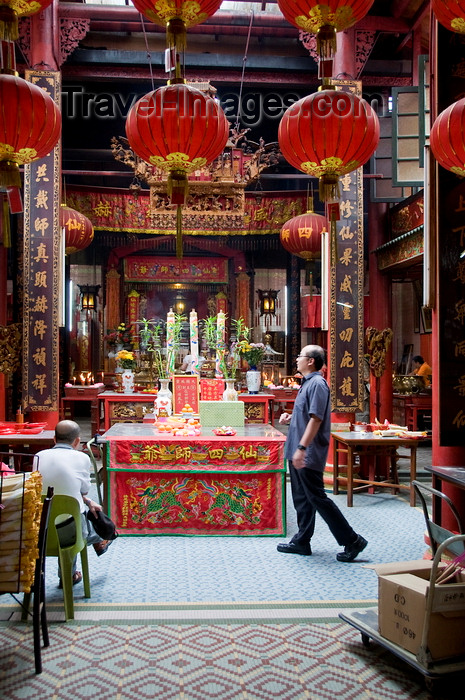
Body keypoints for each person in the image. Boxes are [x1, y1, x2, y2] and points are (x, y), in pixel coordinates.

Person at [277, 345, 367, 562]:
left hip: (307, 452)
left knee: (318, 498)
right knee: (302, 498)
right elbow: (308, 415)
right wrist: (291, 418)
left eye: (300, 356)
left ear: (310, 361)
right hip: (298, 449)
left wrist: (302, 448)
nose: (297, 359)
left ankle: (352, 540)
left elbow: (316, 419)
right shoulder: (307, 383)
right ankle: (302, 541)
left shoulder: (318, 384)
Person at [36, 420, 113, 587]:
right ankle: (98, 540)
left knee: (72, 509)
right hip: (71, 532)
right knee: (77, 516)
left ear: (54, 439)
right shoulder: (80, 458)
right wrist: (88, 499)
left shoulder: (39, 456)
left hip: (38, 527)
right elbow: (84, 489)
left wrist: (87, 499)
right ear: (77, 441)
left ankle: (98, 540)